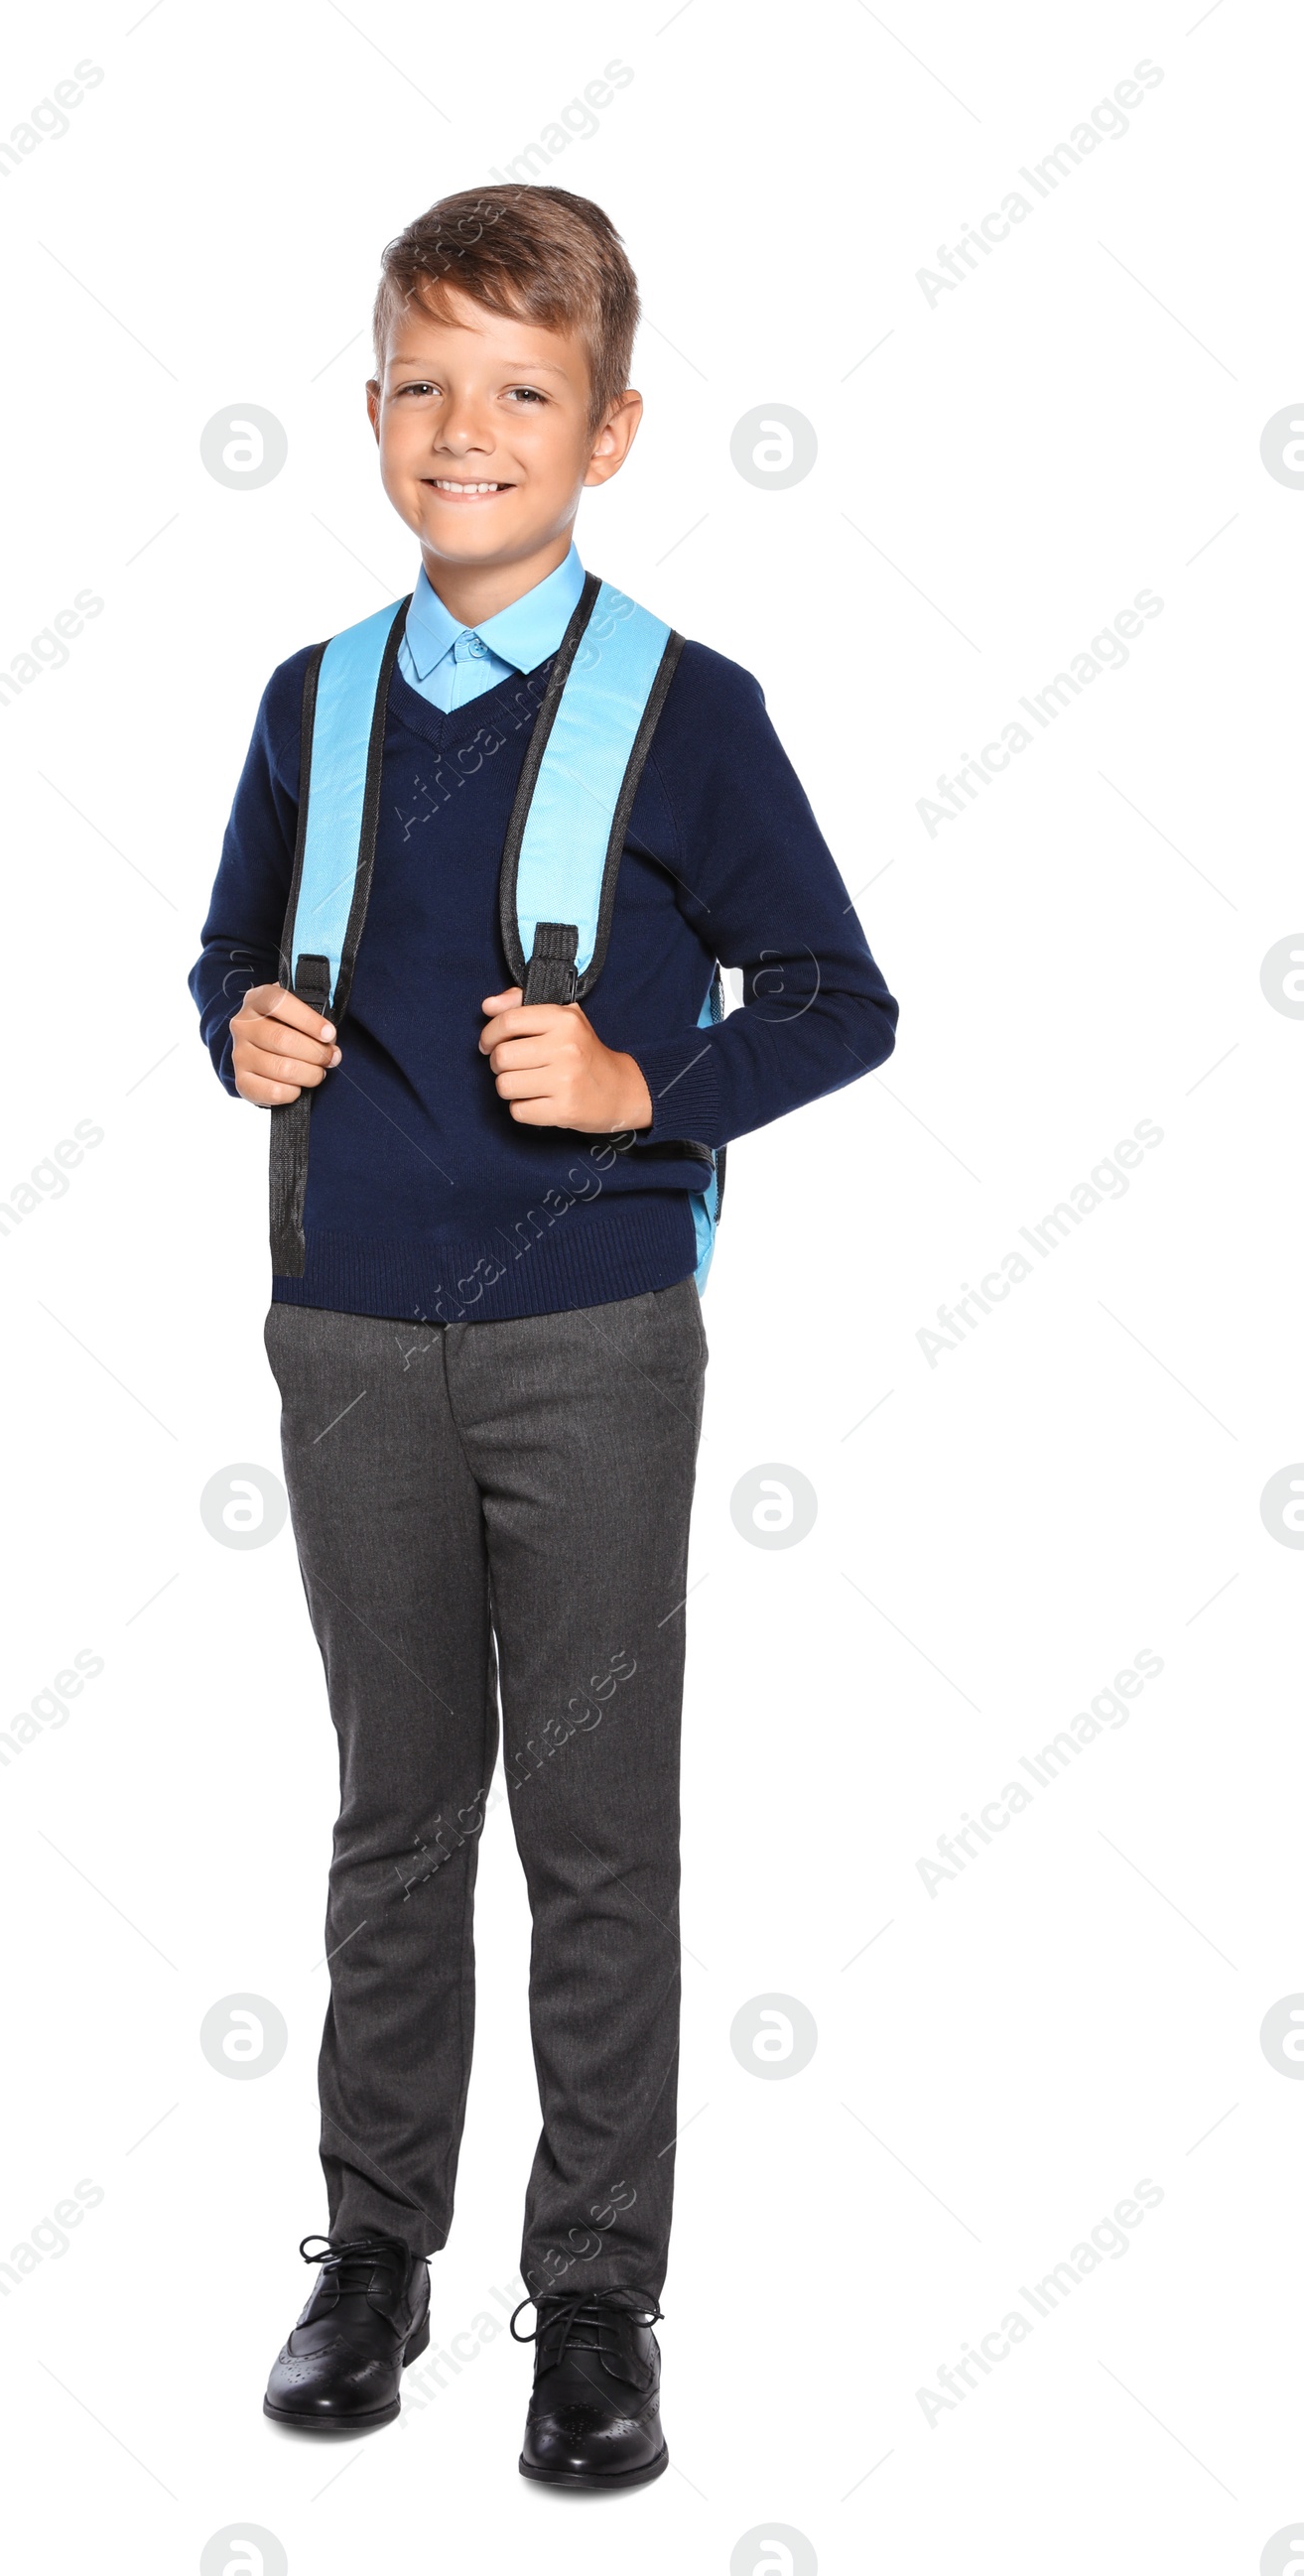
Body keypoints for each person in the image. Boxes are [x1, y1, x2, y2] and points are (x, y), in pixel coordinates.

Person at [189, 185, 897, 2490]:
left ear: (606, 426)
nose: (464, 430)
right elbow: (228, 957)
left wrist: (635, 1086)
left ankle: (591, 2297)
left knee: (593, 1830)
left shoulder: (689, 715)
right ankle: (368, 2248)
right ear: (371, 409)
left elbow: (832, 999)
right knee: (394, 1813)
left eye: (520, 391)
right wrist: (246, 1031)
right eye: (425, 384)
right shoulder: (312, 699)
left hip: (594, 1339)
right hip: (350, 1334)